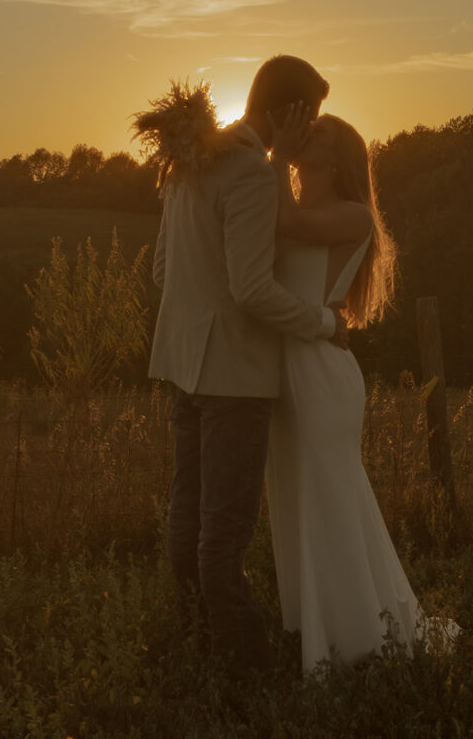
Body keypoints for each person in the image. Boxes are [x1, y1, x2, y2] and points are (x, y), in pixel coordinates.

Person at [133, 57, 348, 679]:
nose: (311, 134)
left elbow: (162, 272)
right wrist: (326, 325)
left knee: (187, 513)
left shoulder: (190, 163)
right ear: (290, 114)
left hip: (184, 366)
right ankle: (249, 671)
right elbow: (252, 289)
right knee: (223, 536)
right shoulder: (251, 175)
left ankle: (196, 638)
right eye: (308, 120)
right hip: (235, 377)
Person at [265, 103, 458, 671]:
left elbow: (289, 229)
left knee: (332, 501)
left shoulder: (354, 216)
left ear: (337, 156)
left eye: (316, 130)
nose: (304, 130)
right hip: (287, 367)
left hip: (322, 373)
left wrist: (274, 156)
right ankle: (313, 629)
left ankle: (357, 641)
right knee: (297, 497)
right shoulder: (295, 200)